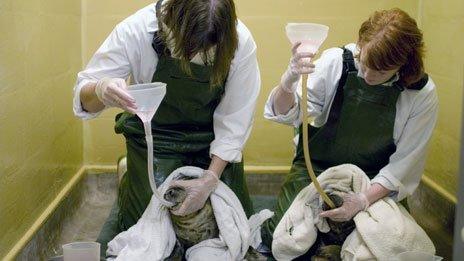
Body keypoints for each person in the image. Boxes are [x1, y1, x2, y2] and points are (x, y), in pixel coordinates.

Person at [73, 0, 260, 257]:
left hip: (212, 140)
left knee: (236, 233)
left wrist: (210, 178)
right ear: (171, 18)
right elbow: (84, 101)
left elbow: (235, 118)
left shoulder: (240, 41)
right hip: (157, 139)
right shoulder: (136, 30)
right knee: (147, 235)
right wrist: (99, 89)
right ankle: (131, 175)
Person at [261, 8, 438, 253]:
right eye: (364, 64)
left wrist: (362, 201)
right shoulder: (336, 62)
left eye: (381, 72)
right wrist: (288, 80)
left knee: (395, 245)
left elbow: (404, 163)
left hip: (375, 180)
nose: (367, 76)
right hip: (318, 169)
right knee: (281, 237)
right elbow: (288, 113)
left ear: (405, 64)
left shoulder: (421, 94)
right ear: (360, 45)